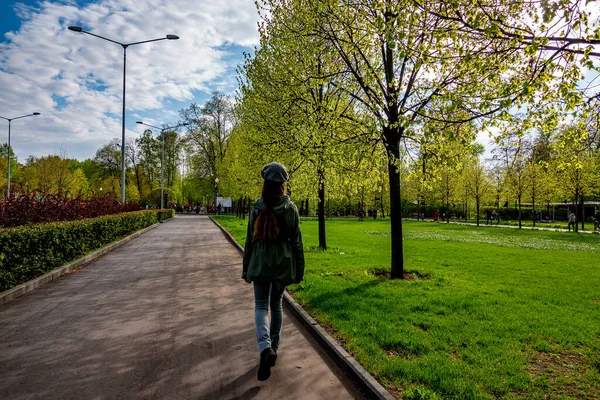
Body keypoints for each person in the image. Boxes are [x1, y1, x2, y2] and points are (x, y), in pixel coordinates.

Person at [242, 162, 305, 382]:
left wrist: (245, 267)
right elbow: (297, 242)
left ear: (265, 184)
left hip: (260, 263)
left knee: (260, 306)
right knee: (276, 304)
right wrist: (300, 270)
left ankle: (264, 347)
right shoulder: (291, 210)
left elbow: (250, 240)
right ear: (282, 186)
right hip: (282, 264)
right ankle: (273, 349)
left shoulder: (257, 208)